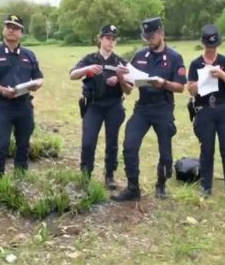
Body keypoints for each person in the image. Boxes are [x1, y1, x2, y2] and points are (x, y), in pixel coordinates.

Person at [111, 17, 186, 201]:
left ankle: (161, 185)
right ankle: (133, 187)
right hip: (143, 108)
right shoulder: (140, 56)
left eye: (152, 36)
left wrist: (163, 83)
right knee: (129, 145)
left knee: (166, 153)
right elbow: (129, 89)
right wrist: (121, 78)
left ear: (161, 33)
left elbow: (180, 87)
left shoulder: (174, 57)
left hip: (163, 108)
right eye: (146, 37)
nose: (148, 40)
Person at [0, 14, 43, 189]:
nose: (11, 30)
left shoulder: (29, 55)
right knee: (2, 145)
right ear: (3, 30)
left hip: (24, 105)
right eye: (8, 26)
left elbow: (39, 77)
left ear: (21, 32)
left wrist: (36, 84)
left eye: (15, 28)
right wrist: (1, 90)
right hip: (3, 106)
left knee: (23, 144)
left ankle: (21, 179)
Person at [69, 25, 132, 189]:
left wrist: (120, 79)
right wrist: (87, 69)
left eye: (113, 39)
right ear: (100, 39)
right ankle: (85, 175)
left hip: (114, 105)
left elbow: (130, 89)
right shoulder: (90, 58)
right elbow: (72, 75)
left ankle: (109, 174)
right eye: (107, 38)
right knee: (88, 142)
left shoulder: (120, 62)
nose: (110, 41)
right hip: (93, 105)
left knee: (112, 142)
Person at [186, 24, 225, 203]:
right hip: (205, 111)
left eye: (214, 46)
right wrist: (202, 80)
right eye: (208, 46)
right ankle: (206, 186)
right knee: (207, 150)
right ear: (204, 44)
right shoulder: (196, 63)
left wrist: (222, 75)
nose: (211, 49)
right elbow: (191, 90)